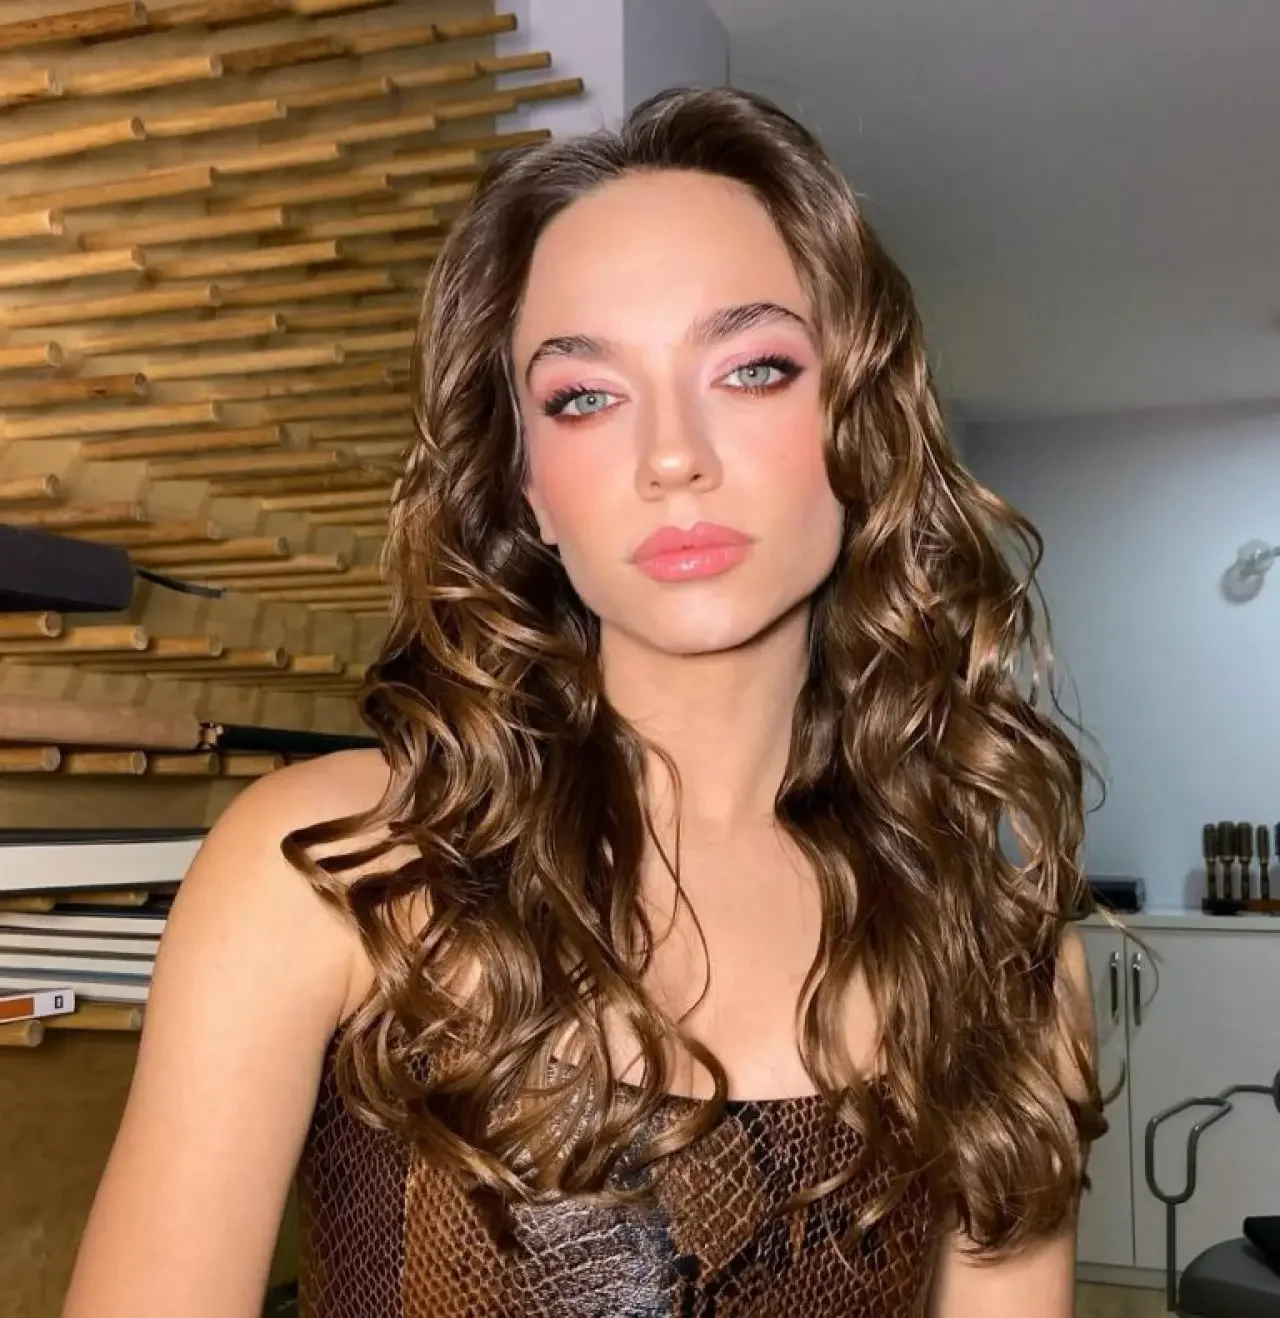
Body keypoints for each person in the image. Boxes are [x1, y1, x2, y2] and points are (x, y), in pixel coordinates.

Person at [64, 86, 1103, 1318]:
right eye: (584, 396)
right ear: (528, 489)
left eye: (753, 368)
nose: (672, 455)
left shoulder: (993, 945)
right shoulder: (332, 870)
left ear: (857, 429)